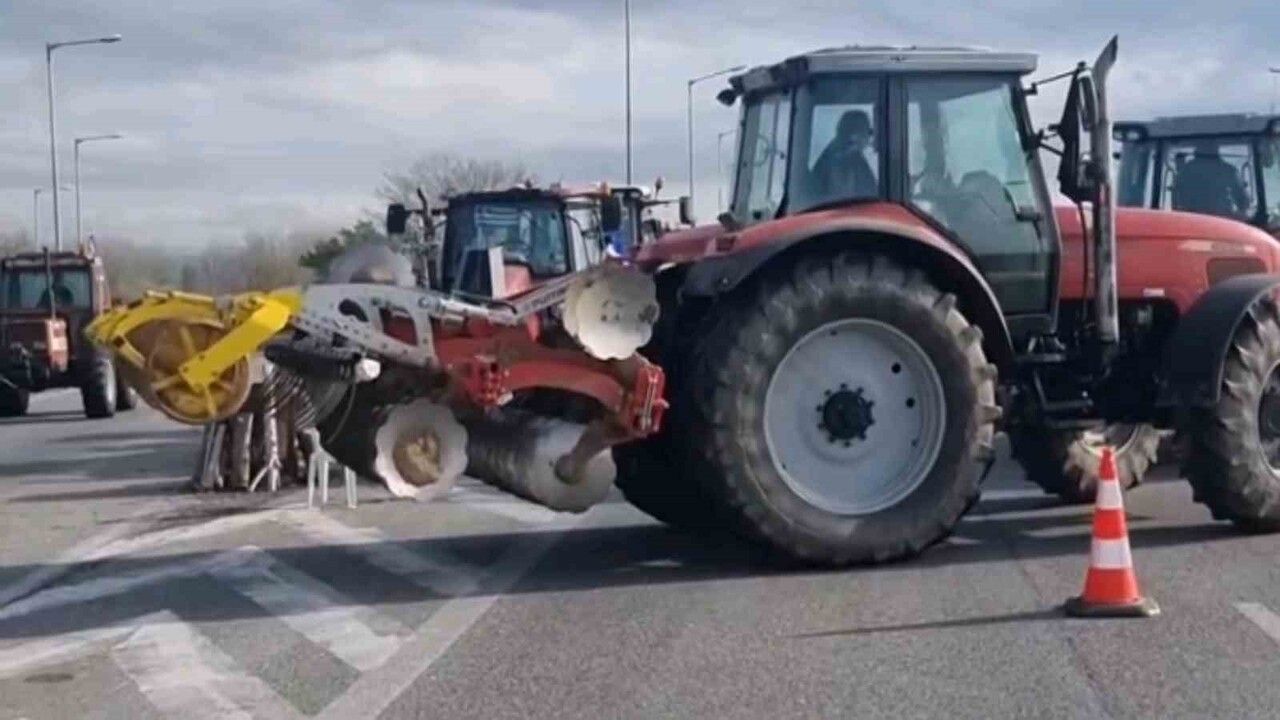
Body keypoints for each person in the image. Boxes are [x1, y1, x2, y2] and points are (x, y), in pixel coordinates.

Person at [810, 109, 878, 201]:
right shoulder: (842, 161)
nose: (870, 137)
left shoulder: (833, 155)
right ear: (855, 135)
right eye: (869, 132)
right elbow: (845, 199)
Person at [1171, 140, 1249, 218]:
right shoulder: (1229, 170)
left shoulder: (1184, 172)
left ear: (1197, 148)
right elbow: (1244, 202)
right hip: (1223, 222)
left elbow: (1176, 201)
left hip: (1191, 221)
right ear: (1216, 149)